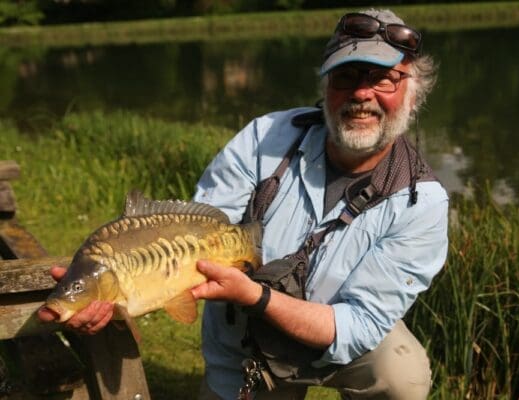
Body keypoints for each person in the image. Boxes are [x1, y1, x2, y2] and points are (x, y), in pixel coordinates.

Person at [39, 8, 448, 400]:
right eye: (347, 76)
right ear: (326, 87)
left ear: (413, 95)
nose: (362, 93)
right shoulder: (267, 136)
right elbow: (193, 228)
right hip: (245, 342)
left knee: (402, 376)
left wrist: (257, 295)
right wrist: (125, 288)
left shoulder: (422, 201)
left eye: (384, 80)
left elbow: (356, 326)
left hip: (338, 341)